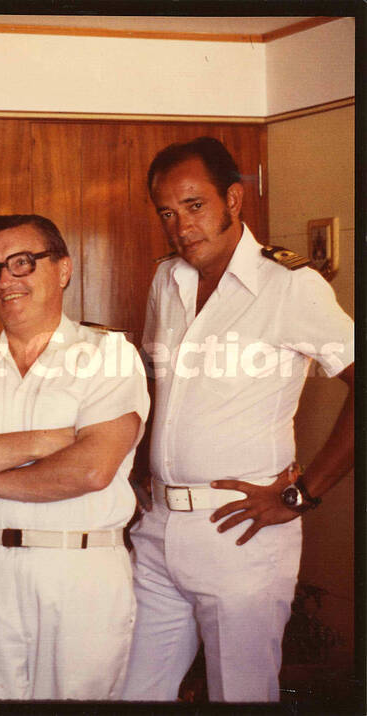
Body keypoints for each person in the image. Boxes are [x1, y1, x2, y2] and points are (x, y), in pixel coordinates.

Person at [121, 137, 354, 702]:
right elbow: (163, 388)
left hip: (242, 532)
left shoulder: (291, 285)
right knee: (129, 692)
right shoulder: (166, 281)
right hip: (158, 529)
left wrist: (302, 494)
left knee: (240, 695)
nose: (181, 226)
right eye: (167, 213)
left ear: (233, 199)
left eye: (195, 205)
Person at [0, 214, 149, 700]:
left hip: (80, 571)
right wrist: (48, 440)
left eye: (22, 263)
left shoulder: (110, 355)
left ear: (63, 269)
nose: (6, 281)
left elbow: (91, 468)